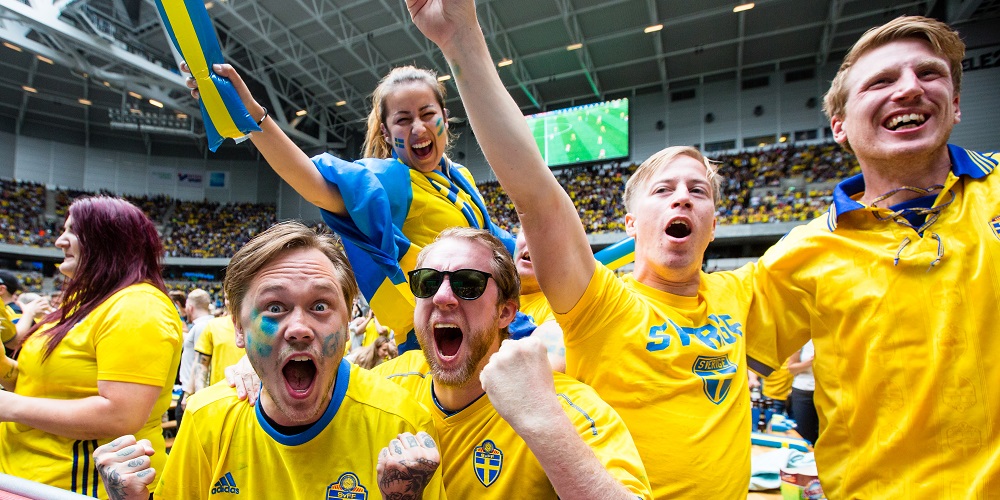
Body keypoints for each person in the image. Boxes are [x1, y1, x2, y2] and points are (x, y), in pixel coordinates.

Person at [406, 0, 754, 497]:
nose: (682, 196)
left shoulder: (745, 293)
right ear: (630, 224)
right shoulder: (602, 304)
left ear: (715, 225)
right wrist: (461, 38)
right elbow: (537, 197)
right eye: (663, 189)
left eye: (698, 191)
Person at [745, 15, 999, 497]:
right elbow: (711, 368)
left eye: (929, 74)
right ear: (839, 126)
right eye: (881, 81)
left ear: (957, 104)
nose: (909, 90)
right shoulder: (800, 254)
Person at [92, 221, 445, 500]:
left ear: (347, 320)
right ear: (239, 329)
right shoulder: (206, 421)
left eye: (320, 306)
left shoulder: (402, 423)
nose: (299, 329)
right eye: (275, 308)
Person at [184, 58, 515, 353]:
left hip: (487, 332)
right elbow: (312, 183)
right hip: (437, 342)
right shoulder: (391, 179)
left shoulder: (463, 178)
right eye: (403, 119)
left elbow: (499, 245)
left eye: (428, 114)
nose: (418, 128)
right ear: (385, 132)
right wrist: (250, 116)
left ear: (444, 116)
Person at [373, 228, 651, 499]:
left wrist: (544, 424)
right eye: (428, 282)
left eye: (468, 284)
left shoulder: (562, 406)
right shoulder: (384, 388)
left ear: (505, 312)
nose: (442, 297)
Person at [0, 196, 183, 498]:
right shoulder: (82, 304)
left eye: (72, 230)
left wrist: (10, 407)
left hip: (77, 486)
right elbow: (34, 381)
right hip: (24, 477)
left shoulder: (137, 306)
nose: (59, 241)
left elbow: (121, 415)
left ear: (108, 238)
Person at [513, 232, 565, 372]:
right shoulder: (483, 291)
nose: (532, 240)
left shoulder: (561, 308)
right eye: (525, 231)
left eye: (549, 237)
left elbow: (544, 373)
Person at [177, 288, 212, 421]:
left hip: (192, 393)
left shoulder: (201, 327)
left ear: (190, 308)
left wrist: (189, 395)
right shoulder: (210, 323)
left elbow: (200, 362)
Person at [191, 309, 244, 394]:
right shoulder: (213, 325)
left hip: (252, 399)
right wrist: (199, 394)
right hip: (218, 396)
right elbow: (202, 363)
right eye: (226, 297)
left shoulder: (260, 325)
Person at [787, 340, 816, 444]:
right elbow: (791, 368)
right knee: (805, 435)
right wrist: (810, 362)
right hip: (804, 391)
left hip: (828, 391)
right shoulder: (805, 339)